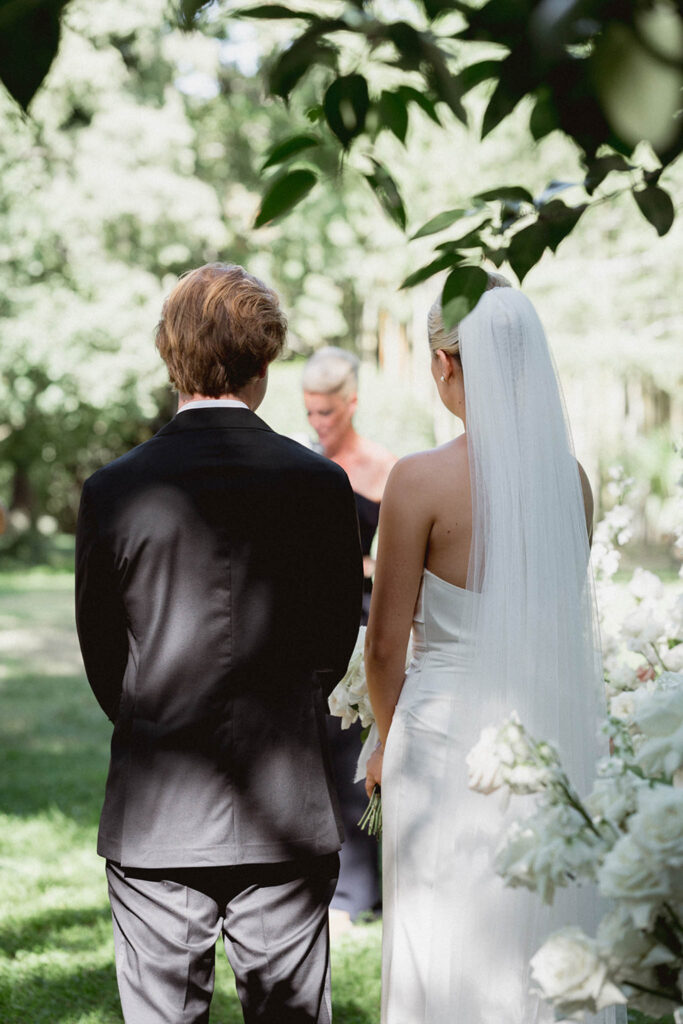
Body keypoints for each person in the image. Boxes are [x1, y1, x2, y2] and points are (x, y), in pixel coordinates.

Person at [75, 263, 363, 1024]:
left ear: (169, 355)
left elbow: (104, 654)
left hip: (157, 814)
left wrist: (154, 717)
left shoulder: (114, 489)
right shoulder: (318, 484)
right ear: (266, 363)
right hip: (285, 802)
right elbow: (333, 643)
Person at [364, 276, 615, 1024]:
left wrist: (383, 737)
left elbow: (382, 647)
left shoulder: (416, 481)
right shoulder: (569, 483)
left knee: (439, 929)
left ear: (445, 364)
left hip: (439, 741)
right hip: (544, 732)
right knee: (537, 918)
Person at [303, 347, 396, 932]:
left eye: (327, 413)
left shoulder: (386, 470)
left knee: (353, 756)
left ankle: (363, 891)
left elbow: (397, 565)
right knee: (312, 754)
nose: (318, 425)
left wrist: (354, 568)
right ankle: (326, 879)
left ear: (352, 403)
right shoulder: (304, 468)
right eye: (310, 413)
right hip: (311, 624)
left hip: (367, 624)